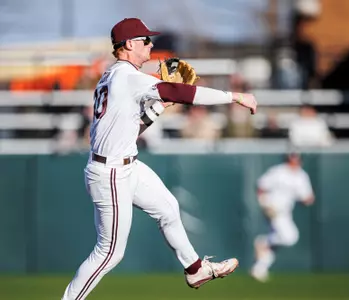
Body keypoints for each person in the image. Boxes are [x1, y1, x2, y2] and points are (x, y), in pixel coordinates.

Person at [61, 17, 257, 300]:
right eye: (145, 40)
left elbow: (130, 129)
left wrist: (157, 109)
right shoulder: (128, 77)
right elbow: (181, 91)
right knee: (109, 252)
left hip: (125, 162)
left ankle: (195, 269)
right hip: (111, 173)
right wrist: (234, 96)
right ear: (129, 44)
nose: (151, 44)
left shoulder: (114, 76)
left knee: (167, 208)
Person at [250, 153, 314, 282]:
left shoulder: (301, 176)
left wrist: (307, 199)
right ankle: (264, 241)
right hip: (273, 209)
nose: (294, 160)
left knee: (277, 243)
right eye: (292, 157)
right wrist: (264, 203)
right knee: (290, 237)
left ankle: (259, 268)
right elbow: (261, 187)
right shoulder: (278, 171)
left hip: (285, 211)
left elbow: (307, 197)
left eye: (297, 158)